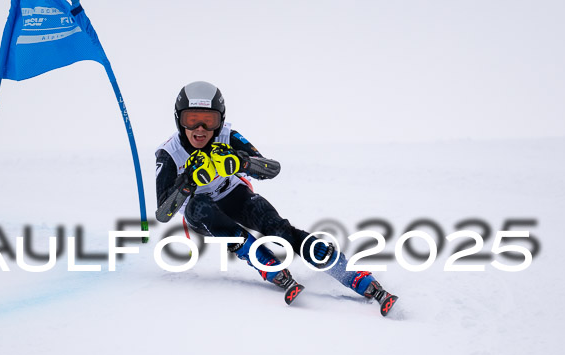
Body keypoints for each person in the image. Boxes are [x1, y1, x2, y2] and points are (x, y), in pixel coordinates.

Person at [154, 81, 398, 315]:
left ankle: (352, 275)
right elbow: (164, 213)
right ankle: (268, 265)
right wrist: (188, 181)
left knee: (279, 230)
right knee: (202, 207)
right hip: (200, 214)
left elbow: (271, 168)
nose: (200, 129)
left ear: (220, 121)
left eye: (209, 121)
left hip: (233, 194)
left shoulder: (227, 137)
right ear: (179, 120)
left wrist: (241, 162)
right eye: (192, 120)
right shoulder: (170, 153)